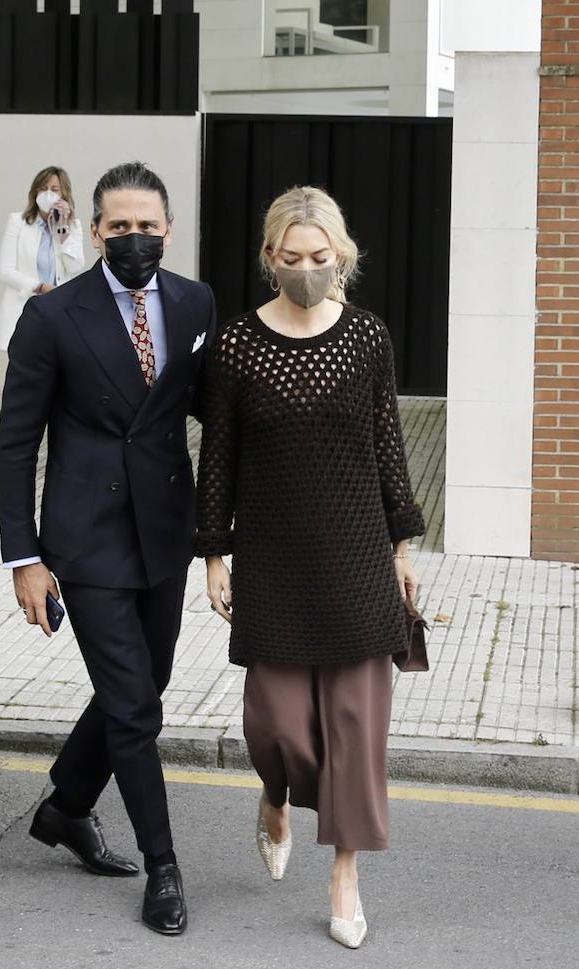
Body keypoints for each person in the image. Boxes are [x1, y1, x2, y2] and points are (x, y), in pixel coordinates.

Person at [194, 186, 425, 949]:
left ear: (342, 258)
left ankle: (345, 874)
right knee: (278, 728)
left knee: (356, 733)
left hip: (358, 555)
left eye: (320, 259)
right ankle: (274, 796)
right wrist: (214, 554)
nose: (306, 271)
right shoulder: (236, 343)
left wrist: (402, 549)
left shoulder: (367, 338)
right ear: (269, 258)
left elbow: (389, 447)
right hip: (274, 558)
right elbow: (218, 458)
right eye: (291, 259)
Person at [0, 161, 217, 936]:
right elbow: (16, 443)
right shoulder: (54, 315)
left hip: (164, 533)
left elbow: (212, 414)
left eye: (147, 227)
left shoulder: (195, 302)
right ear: (95, 231)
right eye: (118, 227)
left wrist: (221, 534)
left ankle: (64, 807)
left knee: (145, 680)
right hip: (84, 540)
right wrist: (24, 557)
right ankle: (164, 866)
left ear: (168, 228)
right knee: (134, 706)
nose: (134, 239)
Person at [0, 166, 85, 351]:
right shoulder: (18, 222)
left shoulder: (72, 226)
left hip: (59, 311)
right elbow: (6, 271)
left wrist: (62, 228)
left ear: (64, 194)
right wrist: (40, 287)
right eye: (43, 188)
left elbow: (75, 266)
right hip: (24, 306)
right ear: (35, 192)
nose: (48, 193)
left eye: (54, 189)